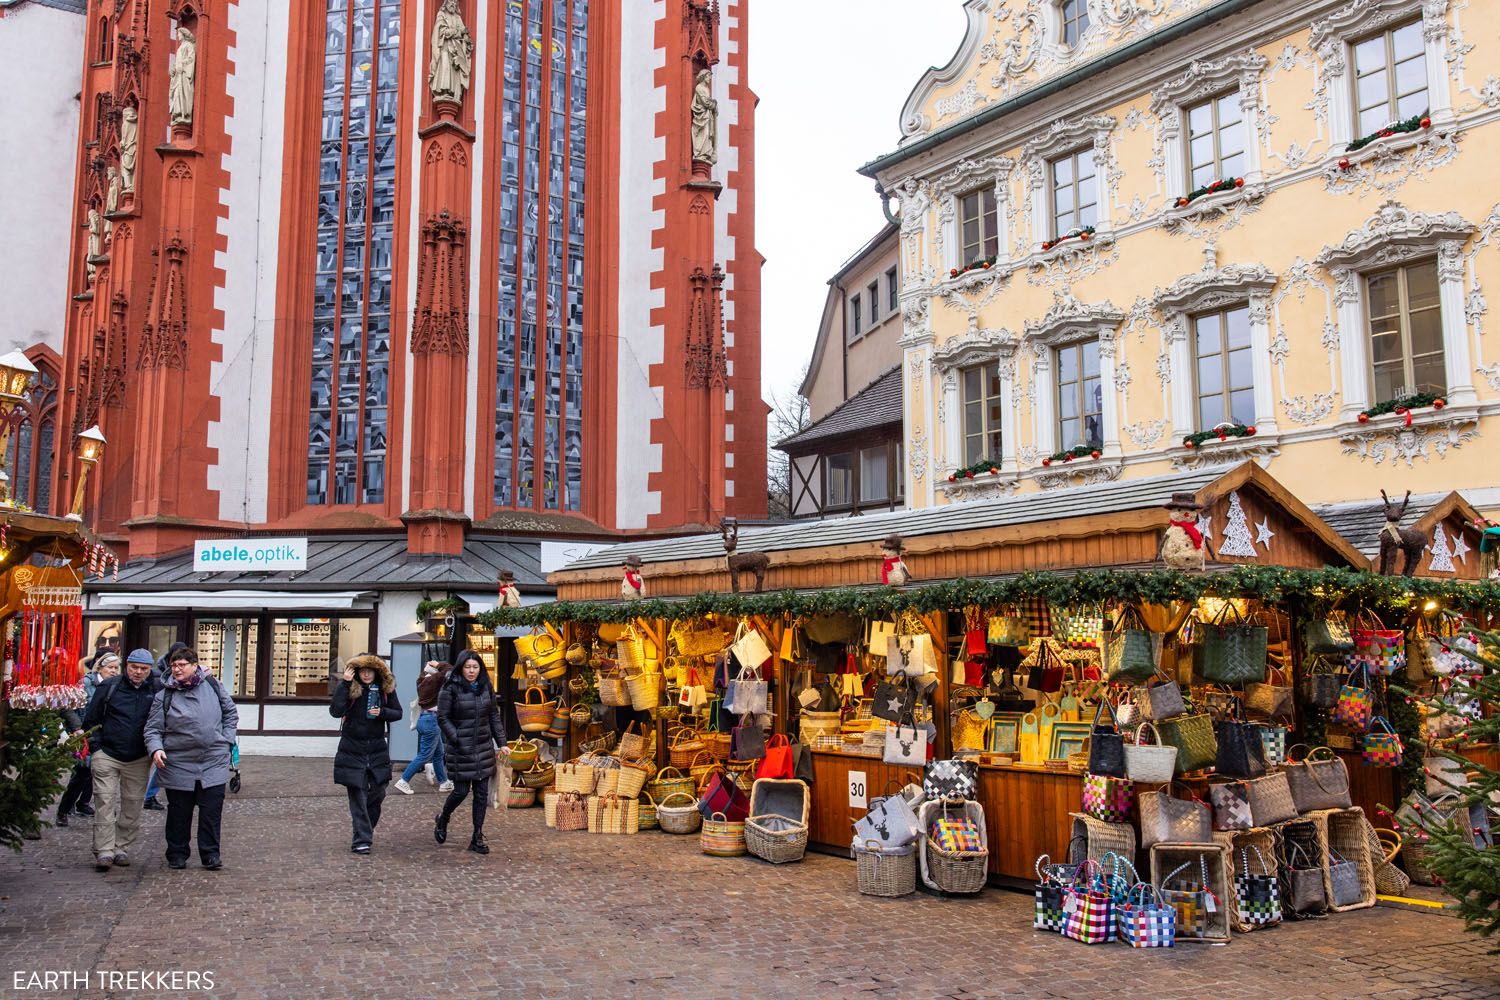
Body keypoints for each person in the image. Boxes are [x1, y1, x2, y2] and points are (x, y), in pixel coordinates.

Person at [144, 647, 237, 870]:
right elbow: (152, 729)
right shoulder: (164, 695)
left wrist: (226, 740)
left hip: (212, 760)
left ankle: (210, 854)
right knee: (179, 812)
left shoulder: (213, 686)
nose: (177, 669)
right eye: (174, 665)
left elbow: (230, 713)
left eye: (181, 665)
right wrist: (156, 749)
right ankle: (177, 853)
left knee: (211, 812)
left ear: (194, 665)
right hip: (178, 763)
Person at [82, 649, 157, 870]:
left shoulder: (155, 689)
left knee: (132, 803)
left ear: (149, 670)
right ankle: (104, 850)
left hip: (138, 756)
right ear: (127, 666)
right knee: (104, 800)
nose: (138, 672)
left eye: (143, 669)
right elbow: (91, 719)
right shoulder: (110, 686)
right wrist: (96, 748)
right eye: (134, 667)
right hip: (107, 754)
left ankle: (121, 846)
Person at [330, 654, 402, 854]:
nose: (367, 674)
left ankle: (364, 830)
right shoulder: (350, 689)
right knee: (358, 795)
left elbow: (398, 713)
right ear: (356, 672)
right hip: (352, 749)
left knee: (378, 793)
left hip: (377, 749)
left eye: (370, 671)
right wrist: (344, 684)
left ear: (376, 672)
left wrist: (383, 713)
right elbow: (335, 711)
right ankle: (362, 839)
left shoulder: (385, 690)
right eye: (363, 671)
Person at [435, 650, 506, 854]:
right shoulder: (450, 688)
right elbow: (443, 717)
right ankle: (443, 818)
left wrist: (501, 742)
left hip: (483, 746)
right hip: (461, 748)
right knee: (461, 791)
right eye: (468, 667)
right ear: (461, 667)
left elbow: (493, 715)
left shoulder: (485, 686)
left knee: (481, 794)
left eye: (475, 667)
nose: (472, 671)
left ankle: (477, 835)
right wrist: (456, 738)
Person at [55, 649, 104, 827]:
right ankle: (64, 809)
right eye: (111, 667)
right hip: (84, 734)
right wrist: (77, 728)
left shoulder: (115, 685)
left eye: (116, 667)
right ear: (100, 666)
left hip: (103, 735)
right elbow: (68, 708)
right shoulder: (83, 684)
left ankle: (85, 804)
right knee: (82, 772)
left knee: (98, 772)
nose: (115, 671)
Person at [142, 642, 189, 812]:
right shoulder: (158, 676)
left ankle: (148, 795)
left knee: (161, 760)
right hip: (158, 724)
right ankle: (147, 795)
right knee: (161, 761)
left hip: (167, 724)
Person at [395, 661, 452, 795]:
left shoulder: (422, 680)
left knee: (438, 754)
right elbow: (450, 670)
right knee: (424, 755)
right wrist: (439, 664)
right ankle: (404, 780)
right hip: (432, 720)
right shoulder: (435, 680)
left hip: (425, 719)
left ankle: (444, 783)